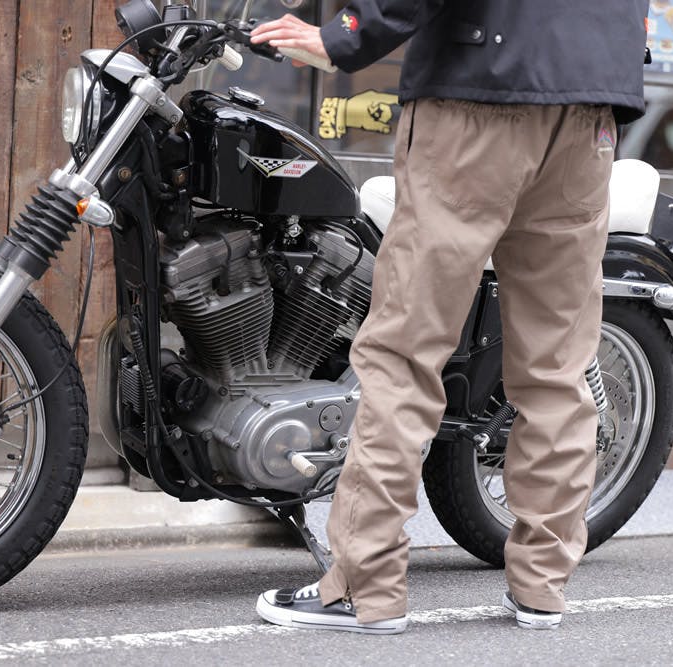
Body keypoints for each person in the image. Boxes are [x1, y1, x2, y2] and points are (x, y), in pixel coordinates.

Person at [251, 0, 650, 634]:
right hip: (588, 109)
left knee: (405, 353)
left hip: (477, 94)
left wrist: (345, 35)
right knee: (557, 364)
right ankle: (541, 585)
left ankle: (364, 588)